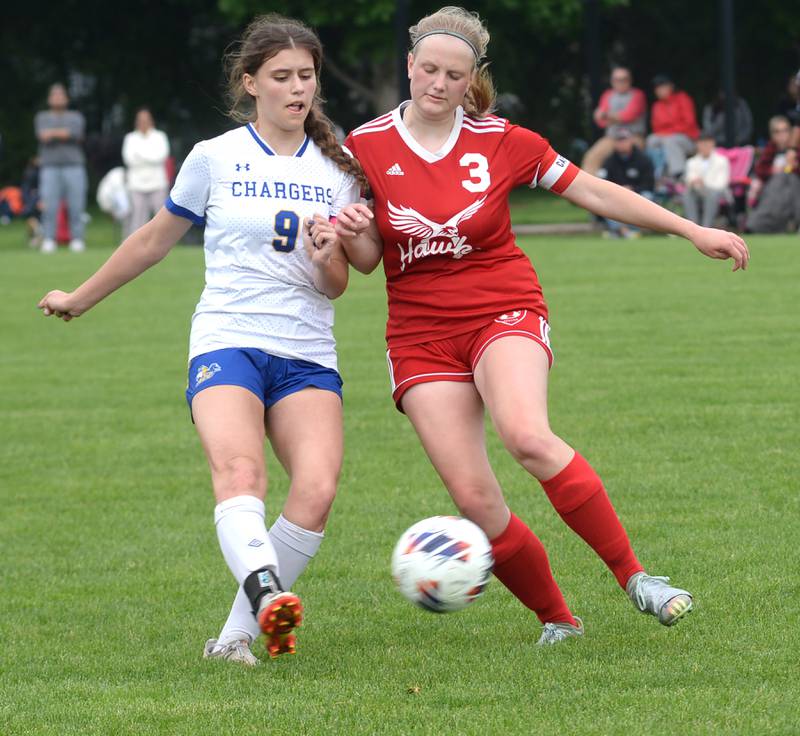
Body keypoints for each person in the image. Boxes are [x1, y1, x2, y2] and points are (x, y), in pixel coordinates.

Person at [323, 6, 748, 646]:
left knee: (527, 435)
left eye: (454, 75)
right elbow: (365, 263)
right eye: (429, 70)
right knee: (474, 499)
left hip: (502, 305)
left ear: (472, 82)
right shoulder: (364, 148)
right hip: (419, 333)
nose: (438, 84)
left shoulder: (502, 140)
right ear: (410, 66)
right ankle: (558, 620)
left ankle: (636, 577)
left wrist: (692, 229)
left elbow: (595, 191)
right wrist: (355, 235)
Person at [38, 14, 363, 666]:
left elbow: (337, 286)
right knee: (241, 472)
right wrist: (80, 297)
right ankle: (268, 588)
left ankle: (237, 636)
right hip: (228, 339)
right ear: (250, 83)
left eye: (306, 76)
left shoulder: (339, 168)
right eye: (282, 77)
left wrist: (332, 249)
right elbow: (153, 240)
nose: (297, 88)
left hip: (305, 352)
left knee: (317, 490)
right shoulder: (214, 157)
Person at [34, 83, 88, 253]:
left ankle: (77, 239)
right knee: (49, 205)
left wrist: (54, 133)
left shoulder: (76, 116)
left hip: (74, 166)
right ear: (50, 99)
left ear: (66, 98)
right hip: (49, 167)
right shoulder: (42, 117)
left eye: (60, 95)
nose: (57, 98)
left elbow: (75, 134)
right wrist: (63, 133)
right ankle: (49, 239)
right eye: (54, 95)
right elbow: (43, 136)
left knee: (76, 204)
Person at [581, 66, 647, 176]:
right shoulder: (607, 95)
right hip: (612, 138)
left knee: (633, 158)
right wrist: (607, 117)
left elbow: (629, 115)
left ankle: (640, 189)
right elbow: (600, 122)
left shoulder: (637, 94)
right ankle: (589, 189)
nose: (620, 83)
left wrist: (607, 116)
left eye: (624, 79)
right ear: (612, 81)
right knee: (592, 156)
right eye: (617, 80)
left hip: (633, 137)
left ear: (630, 80)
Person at [597, 127, 655, 238]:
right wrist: (619, 190)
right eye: (619, 140)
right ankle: (623, 231)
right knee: (604, 201)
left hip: (638, 194)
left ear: (631, 140)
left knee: (647, 197)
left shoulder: (643, 159)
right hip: (616, 196)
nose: (622, 143)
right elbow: (602, 182)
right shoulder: (609, 161)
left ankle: (626, 230)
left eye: (624, 140)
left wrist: (633, 189)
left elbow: (649, 184)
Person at [746, 115, 800, 233]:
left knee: (787, 178)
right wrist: (773, 171)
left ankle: (758, 222)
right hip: (773, 190)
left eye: (785, 130)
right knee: (779, 179)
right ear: (772, 135)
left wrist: (793, 167)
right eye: (777, 131)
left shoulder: (796, 148)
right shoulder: (771, 148)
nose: (782, 135)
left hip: (795, 188)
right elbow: (760, 170)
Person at [122, 108, 170, 236]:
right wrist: (150, 156)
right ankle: (135, 244)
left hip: (157, 183)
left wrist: (140, 155)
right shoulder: (130, 138)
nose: (143, 122)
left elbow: (161, 156)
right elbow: (129, 159)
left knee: (161, 217)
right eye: (140, 120)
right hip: (136, 184)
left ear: (151, 121)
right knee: (137, 217)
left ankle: (161, 242)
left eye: (146, 120)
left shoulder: (160, 136)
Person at [646, 74, 699, 180]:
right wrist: (668, 130)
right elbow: (655, 127)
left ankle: (678, 175)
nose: (660, 90)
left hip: (688, 140)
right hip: (666, 136)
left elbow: (689, 123)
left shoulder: (682, 98)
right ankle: (658, 173)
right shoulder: (657, 105)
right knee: (651, 140)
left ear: (671, 87)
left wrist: (668, 130)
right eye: (657, 88)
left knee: (670, 141)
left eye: (663, 87)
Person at [681, 131, 731, 228]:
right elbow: (689, 178)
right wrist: (693, 182)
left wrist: (704, 183)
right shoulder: (692, 162)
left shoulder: (722, 160)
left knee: (712, 194)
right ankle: (692, 226)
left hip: (717, 192)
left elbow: (721, 184)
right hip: (698, 191)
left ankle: (706, 226)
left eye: (707, 143)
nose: (704, 146)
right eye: (702, 143)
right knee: (687, 193)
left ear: (712, 144)